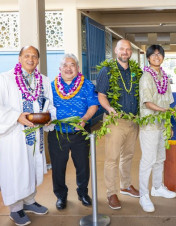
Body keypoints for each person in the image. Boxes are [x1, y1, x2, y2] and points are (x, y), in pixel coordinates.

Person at [0, 46, 56, 225]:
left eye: (34, 56)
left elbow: (50, 104)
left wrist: (50, 118)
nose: (31, 59)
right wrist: (16, 116)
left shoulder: (44, 81)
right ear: (19, 58)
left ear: (38, 60)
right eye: (27, 56)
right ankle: (15, 209)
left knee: (32, 167)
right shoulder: (5, 79)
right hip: (14, 135)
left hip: (36, 134)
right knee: (16, 170)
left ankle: (30, 201)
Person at [96, 39, 142, 210]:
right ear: (116, 51)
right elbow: (101, 95)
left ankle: (126, 185)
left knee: (128, 155)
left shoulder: (136, 72)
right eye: (122, 49)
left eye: (128, 49)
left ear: (131, 52)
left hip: (133, 121)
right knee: (112, 158)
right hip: (115, 121)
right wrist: (109, 109)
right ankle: (111, 192)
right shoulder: (106, 71)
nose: (125, 52)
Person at [48, 54, 99, 210]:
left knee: (83, 166)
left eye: (72, 65)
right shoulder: (50, 86)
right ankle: (61, 196)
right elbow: (44, 106)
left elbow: (93, 105)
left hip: (80, 132)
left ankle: (83, 193)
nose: (68, 68)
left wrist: (84, 119)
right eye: (65, 65)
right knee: (58, 167)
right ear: (60, 68)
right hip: (57, 133)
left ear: (77, 68)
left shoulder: (87, 85)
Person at [138, 45, 176, 212]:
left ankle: (157, 187)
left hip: (161, 124)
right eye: (153, 54)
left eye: (159, 54)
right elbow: (147, 103)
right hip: (149, 125)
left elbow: (167, 102)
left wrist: (168, 123)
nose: (156, 56)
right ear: (148, 58)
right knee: (148, 160)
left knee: (160, 157)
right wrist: (164, 111)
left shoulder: (165, 77)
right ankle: (143, 196)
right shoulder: (146, 77)